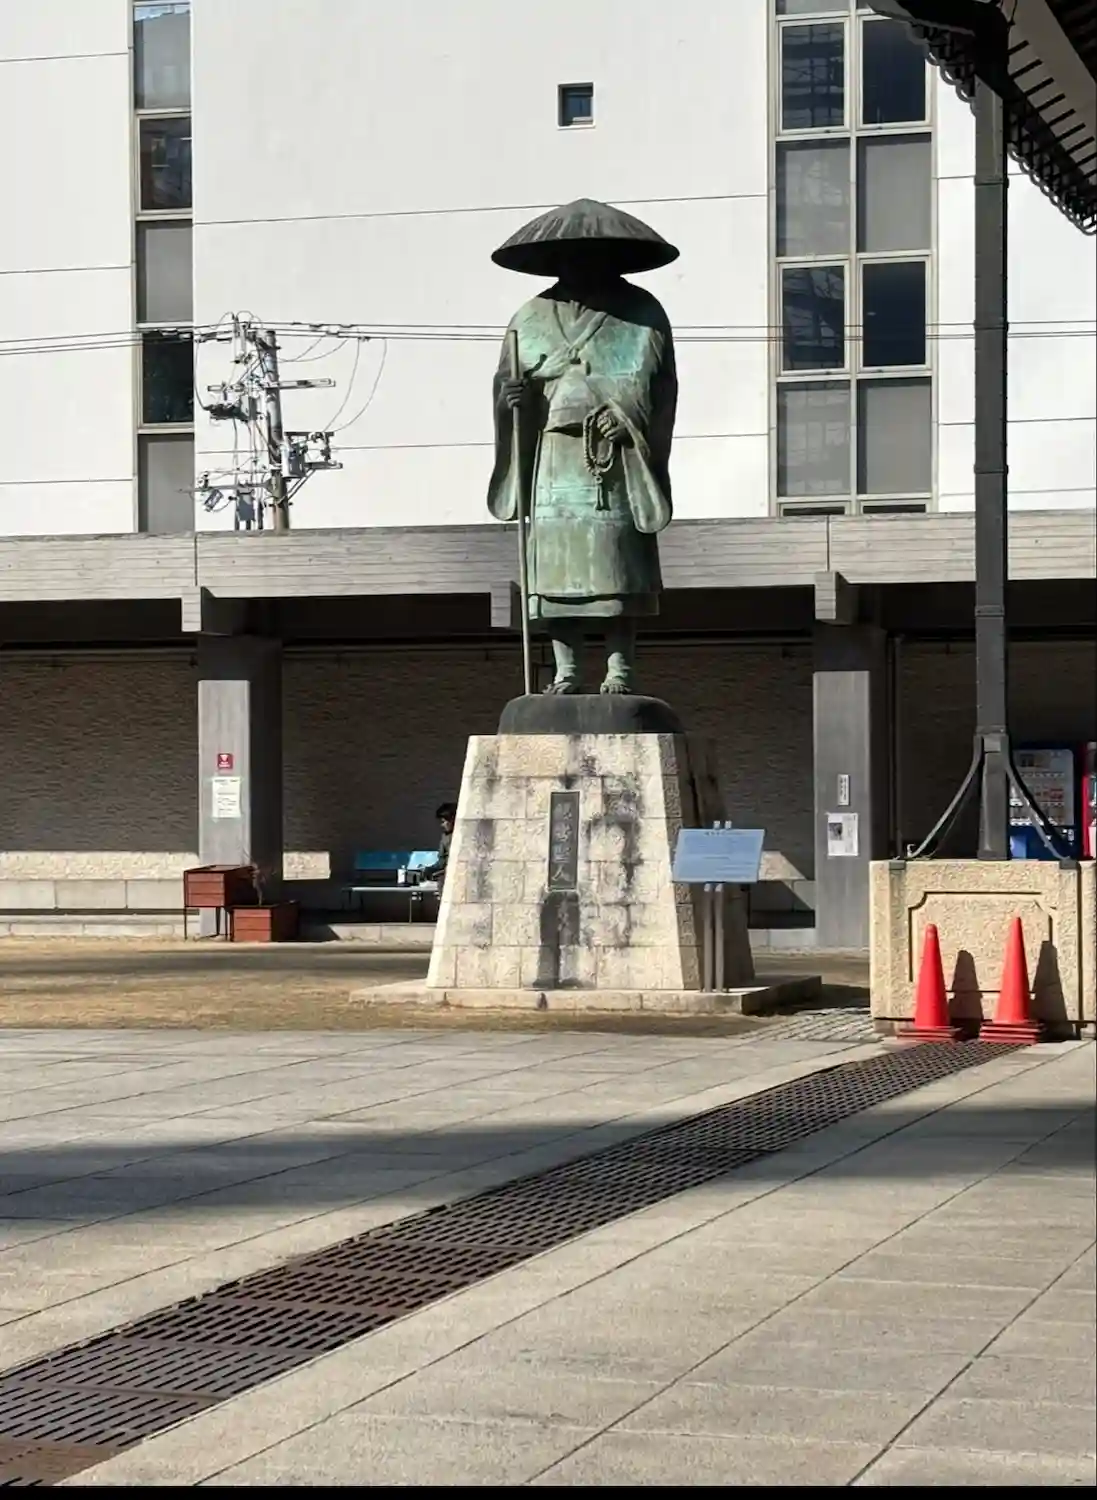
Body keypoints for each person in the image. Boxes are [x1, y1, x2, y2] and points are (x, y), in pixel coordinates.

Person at [487, 198, 679, 696]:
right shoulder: (529, 317)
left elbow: (658, 386)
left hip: (614, 459)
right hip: (554, 455)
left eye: (592, 255)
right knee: (555, 572)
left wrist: (630, 419)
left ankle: (620, 670)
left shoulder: (641, 313)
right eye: (570, 256)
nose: (581, 265)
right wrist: (513, 399)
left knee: (617, 566)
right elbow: (510, 385)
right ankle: (566, 671)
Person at [425, 802, 457, 882]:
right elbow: (442, 860)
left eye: (443, 822)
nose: (441, 825)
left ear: (453, 820)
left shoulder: (460, 837)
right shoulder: (445, 836)